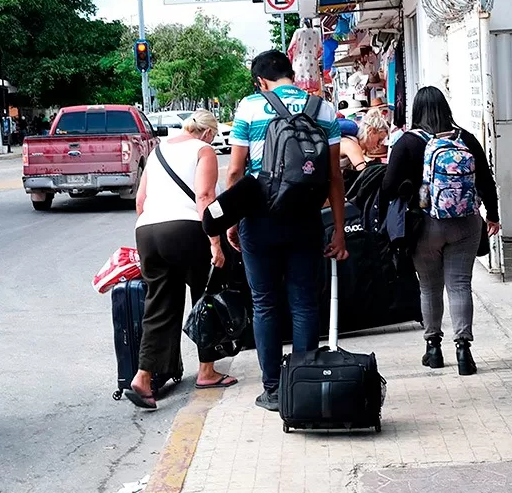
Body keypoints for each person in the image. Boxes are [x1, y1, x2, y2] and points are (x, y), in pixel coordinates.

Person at [226, 50, 349, 412]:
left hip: (259, 218)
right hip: (305, 218)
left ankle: (273, 390)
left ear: (260, 81)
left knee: (265, 304)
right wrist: (338, 231)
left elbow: (235, 172)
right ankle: (304, 383)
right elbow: (335, 176)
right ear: (290, 73)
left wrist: (231, 222)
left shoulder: (249, 107)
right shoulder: (322, 108)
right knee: (304, 303)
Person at [382, 86, 500, 376]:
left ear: (416, 111)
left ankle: (433, 348)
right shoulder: (466, 139)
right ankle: (464, 353)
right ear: (445, 108)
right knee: (460, 285)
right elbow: (486, 179)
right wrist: (493, 216)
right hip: (466, 222)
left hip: (424, 226)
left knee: (429, 287)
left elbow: (387, 188)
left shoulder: (407, 143)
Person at [126, 110, 238, 409]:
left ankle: (143, 376)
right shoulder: (204, 151)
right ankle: (207, 370)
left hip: (148, 231)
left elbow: (140, 201)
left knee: (159, 305)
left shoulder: (157, 150)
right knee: (207, 298)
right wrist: (215, 242)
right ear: (209, 133)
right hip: (187, 229)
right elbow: (205, 197)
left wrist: (155, 235)